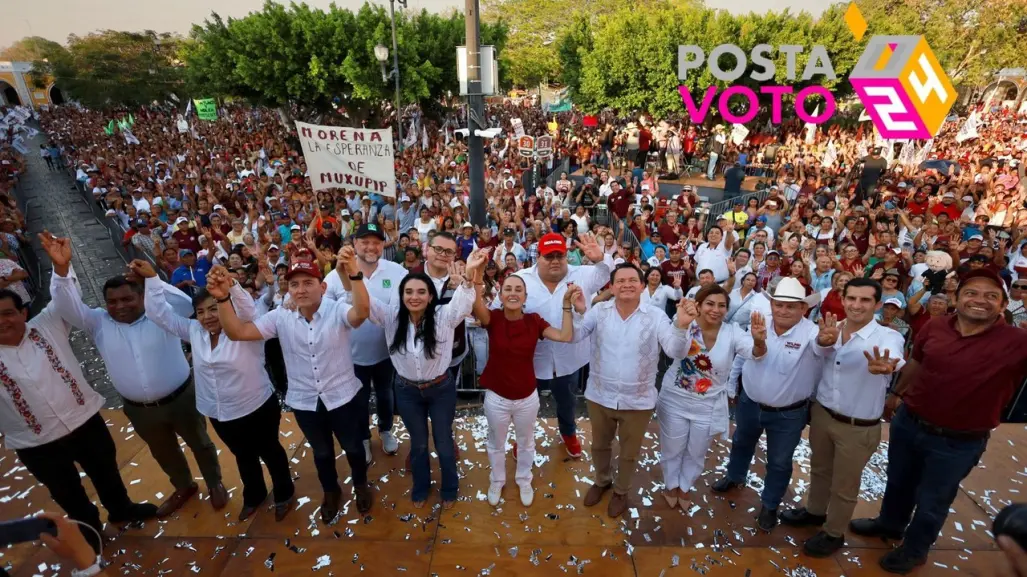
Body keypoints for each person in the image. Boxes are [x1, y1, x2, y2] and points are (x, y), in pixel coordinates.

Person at [850, 269, 1027, 574]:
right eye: (971, 293)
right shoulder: (935, 327)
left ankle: (915, 550)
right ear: (956, 298)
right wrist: (895, 394)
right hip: (910, 422)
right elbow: (917, 362)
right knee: (898, 480)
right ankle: (890, 524)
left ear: (1003, 304)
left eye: (991, 296)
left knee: (934, 498)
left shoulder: (1017, 342)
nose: (979, 301)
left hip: (959, 440)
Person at [42, 232, 226, 519]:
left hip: (181, 398)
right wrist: (62, 270)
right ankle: (183, 486)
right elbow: (68, 307)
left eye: (127, 298)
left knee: (200, 442)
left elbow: (183, 303)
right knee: (163, 451)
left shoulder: (161, 315)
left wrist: (152, 281)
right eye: (112, 301)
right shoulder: (97, 322)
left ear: (141, 296)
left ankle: (214, 483)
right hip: (139, 409)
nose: (119, 306)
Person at [0, 274, 157, 554]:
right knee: (67, 493)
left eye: (8, 313)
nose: (2, 321)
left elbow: (64, 299)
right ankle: (89, 532)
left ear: (24, 312)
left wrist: (61, 269)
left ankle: (121, 510)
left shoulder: (46, 325)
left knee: (106, 472)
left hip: (83, 421)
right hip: (36, 443)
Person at [216, 247, 374, 523]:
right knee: (322, 452)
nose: (301, 290)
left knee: (354, 448)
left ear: (322, 286)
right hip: (305, 400)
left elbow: (361, 313)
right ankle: (330, 490)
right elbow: (238, 332)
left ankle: (360, 484)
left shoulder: (337, 310)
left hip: (343, 396)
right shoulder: (280, 316)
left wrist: (354, 274)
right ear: (287, 289)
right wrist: (222, 299)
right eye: (294, 284)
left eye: (308, 283)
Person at [136, 260, 295, 523]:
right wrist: (153, 280)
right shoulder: (194, 331)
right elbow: (159, 315)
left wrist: (230, 286)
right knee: (243, 455)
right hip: (219, 411)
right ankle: (254, 495)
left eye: (214, 309)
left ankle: (284, 493)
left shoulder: (245, 329)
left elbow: (246, 308)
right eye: (201, 311)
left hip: (256, 405)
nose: (208, 316)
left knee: (270, 451)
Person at [778, 278, 905, 557]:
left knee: (845, 484)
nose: (857, 305)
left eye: (865, 300)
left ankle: (834, 533)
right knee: (820, 469)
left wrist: (886, 366)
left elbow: (893, 357)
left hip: (857, 426)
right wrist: (824, 343)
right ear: (843, 299)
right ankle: (814, 512)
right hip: (823, 415)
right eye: (852, 299)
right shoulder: (830, 330)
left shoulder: (887, 337)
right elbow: (819, 351)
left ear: (877, 304)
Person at [361, 250, 487, 509]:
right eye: (409, 292)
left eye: (421, 292)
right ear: (402, 296)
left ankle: (450, 488)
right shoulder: (391, 318)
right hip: (407, 392)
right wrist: (351, 275)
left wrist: (470, 275)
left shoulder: (444, 317)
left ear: (431, 297)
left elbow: (463, 303)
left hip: (441, 390)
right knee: (417, 443)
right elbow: (366, 304)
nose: (414, 297)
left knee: (443, 442)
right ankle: (421, 487)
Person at [571, 263, 697, 517]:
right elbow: (576, 336)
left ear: (642, 286)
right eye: (620, 281)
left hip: (638, 399)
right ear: (612, 286)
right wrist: (578, 311)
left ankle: (621, 490)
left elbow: (675, 351)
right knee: (599, 446)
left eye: (632, 280)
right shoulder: (599, 312)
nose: (626, 284)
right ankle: (602, 480)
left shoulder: (656, 316)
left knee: (629, 452)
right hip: (600, 395)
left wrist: (681, 327)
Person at [711, 277, 823, 532]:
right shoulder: (759, 324)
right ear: (771, 305)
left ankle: (770, 504)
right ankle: (735, 476)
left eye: (791, 306)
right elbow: (744, 356)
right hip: (750, 402)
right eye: (779, 305)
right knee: (741, 442)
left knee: (780, 461)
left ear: (803, 309)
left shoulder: (813, 333)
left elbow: (822, 348)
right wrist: (733, 384)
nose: (783, 311)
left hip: (789, 413)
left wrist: (826, 341)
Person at [471, 272, 581, 508]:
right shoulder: (494, 318)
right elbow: (476, 304)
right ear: (500, 295)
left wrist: (566, 306)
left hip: (526, 397)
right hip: (497, 397)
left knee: (526, 442)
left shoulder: (534, 321)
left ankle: (524, 480)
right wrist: (478, 278)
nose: (513, 293)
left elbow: (565, 335)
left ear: (525, 296)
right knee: (496, 443)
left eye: (518, 289)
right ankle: (497, 480)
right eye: (508, 289)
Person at [501, 232, 613, 458]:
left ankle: (568, 432)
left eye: (559, 256)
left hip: (568, 358)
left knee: (567, 401)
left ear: (566, 257)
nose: (554, 261)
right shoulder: (521, 278)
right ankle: (523, 439)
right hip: (531, 360)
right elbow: (498, 308)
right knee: (525, 405)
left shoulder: (582, 274)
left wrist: (601, 258)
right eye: (548, 256)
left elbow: (605, 274)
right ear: (538, 257)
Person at [657, 285, 763, 509]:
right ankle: (671, 484)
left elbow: (753, 354)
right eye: (710, 304)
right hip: (674, 398)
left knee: (696, 450)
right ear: (699, 305)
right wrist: (681, 325)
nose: (716, 310)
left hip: (708, 403)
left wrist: (759, 341)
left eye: (721, 305)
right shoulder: (685, 322)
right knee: (672, 447)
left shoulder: (733, 331)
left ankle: (685, 486)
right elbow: (675, 352)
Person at [326, 223, 408, 463]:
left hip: (386, 353)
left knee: (385, 395)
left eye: (376, 242)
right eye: (365, 242)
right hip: (351, 356)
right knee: (358, 401)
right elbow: (323, 309)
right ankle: (363, 437)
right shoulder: (334, 277)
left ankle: (385, 430)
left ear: (383, 245)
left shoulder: (397, 272)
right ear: (355, 245)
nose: (371, 247)